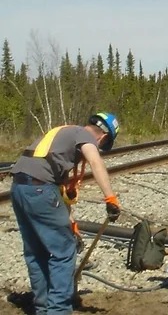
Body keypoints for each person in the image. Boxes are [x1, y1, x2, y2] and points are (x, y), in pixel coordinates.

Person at [10, 112, 121, 315]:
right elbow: (96, 163)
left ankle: (43, 308)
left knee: (36, 252)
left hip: (19, 188)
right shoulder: (86, 136)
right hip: (39, 190)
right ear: (103, 137)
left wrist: (70, 222)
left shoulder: (63, 133)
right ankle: (58, 310)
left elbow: (57, 191)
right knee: (63, 251)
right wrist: (110, 198)